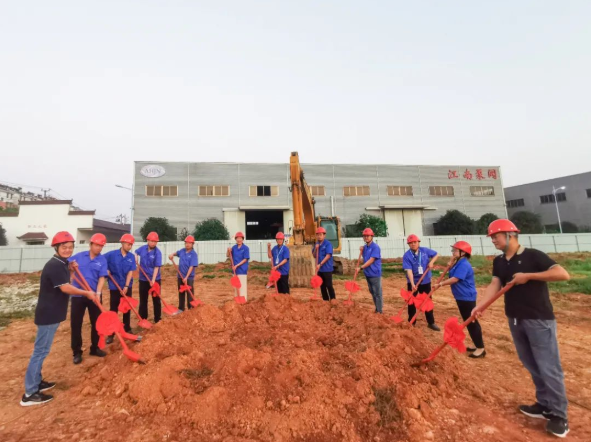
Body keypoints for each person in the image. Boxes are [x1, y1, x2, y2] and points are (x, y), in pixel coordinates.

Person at [472, 219, 570, 438]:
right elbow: (495, 284)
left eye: (495, 236)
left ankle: (559, 415)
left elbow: (562, 274)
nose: (493, 240)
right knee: (530, 363)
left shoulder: (534, 256)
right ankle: (544, 404)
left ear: (510, 235)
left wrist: (529, 276)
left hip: (538, 320)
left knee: (548, 366)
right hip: (515, 319)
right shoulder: (499, 261)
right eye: (491, 237)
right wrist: (480, 306)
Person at [20, 232, 98, 406]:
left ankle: (37, 381)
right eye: (64, 247)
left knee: (43, 350)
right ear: (56, 247)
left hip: (53, 313)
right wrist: (86, 293)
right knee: (40, 351)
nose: (67, 250)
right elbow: (65, 288)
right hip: (48, 314)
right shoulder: (55, 265)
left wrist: (71, 271)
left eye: (70, 247)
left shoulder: (62, 263)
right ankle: (30, 393)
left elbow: (66, 281)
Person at [433, 241, 485, 358]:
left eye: (455, 250)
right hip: (461, 296)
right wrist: (450, 263)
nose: (453, 252)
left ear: (463, 252)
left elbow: (455, 279)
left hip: (466, 297)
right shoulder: (458, 262)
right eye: (453, 250)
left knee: (471, 321)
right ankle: (477, 344)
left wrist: (440, 284)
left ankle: (481, 348)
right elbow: (452, 273)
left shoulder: (464, 264)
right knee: (468, 321)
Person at [68, 233, 108, 364]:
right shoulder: (79, 257)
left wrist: (98, 293)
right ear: (91, 244)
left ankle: (95, 348)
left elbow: (102, 278)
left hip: (94, 295)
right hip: (78, 295)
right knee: (76, 323)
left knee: (97, 323)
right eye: (96, 245)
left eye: (101, 246)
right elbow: (66, 264)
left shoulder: (102, 260)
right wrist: (70, 267)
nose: (98, 248)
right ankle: (77, 352)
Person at [402, 234, 440, 331]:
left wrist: (431, 262)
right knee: (411, 301)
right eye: (411, 243)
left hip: (425, 280)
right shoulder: (406, 256)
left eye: (415, 242)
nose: (413, 244)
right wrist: (412, 284)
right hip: (413, 281)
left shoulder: (424, 251)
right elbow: (409, 271)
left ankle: (431, 322)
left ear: (418, 242)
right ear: (408, 244)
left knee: (427, 300)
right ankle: (411, 322)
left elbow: (436, 254)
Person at [104, 233, 137, 343]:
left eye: (131, 245)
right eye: (128, 244)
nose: (129, 246)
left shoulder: (131, 257)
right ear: (122, 243)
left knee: (126, 308)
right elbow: (100, 260)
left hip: (126, 286)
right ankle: (111, 333)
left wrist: (126, 286)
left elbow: (130, 272)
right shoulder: (111, 255)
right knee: (113, 309)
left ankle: (127, 328)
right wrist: (106, 270)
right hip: (114, 286)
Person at [136, 231, 163, 323]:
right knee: (143, 299)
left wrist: (153, 280)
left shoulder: (157, 253)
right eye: (151, 241)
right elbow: (136, 252)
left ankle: (157, 319)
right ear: (147, 240)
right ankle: (143, 319)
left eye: (155, 241)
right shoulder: (142, 249)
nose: (153, 243)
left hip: (155, 279)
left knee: (156, 299)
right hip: (143, 279)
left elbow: (156, 267)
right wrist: (136, 257)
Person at [169, 235, 199, 311]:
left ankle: (191, 308)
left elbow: (192, 266)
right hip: (180, 276)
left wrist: (186, 277)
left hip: (189, 278)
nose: (187, 244)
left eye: (189, 243)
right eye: (186, 243)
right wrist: (172, 254)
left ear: (192, 244)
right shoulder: (182, 251)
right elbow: (177, 253)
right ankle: (181, 308)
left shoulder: (193, 254)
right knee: (181, 292)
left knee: (189, 293)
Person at [359, 228, 382, 313]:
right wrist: (361, 250)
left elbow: (371, 260)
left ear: (372, 236)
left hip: (375, 273)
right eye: (364, 236)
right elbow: (365, 258)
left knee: (377, 293)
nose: (366, 237)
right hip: (368, 273)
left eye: (368, 236)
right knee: (372, 292)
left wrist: (361, 267)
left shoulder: (375, 247)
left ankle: (379, 311)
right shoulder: (365, 247)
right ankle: (377, 309)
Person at [313, 227, 335, 301]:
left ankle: (333, 300)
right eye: (318, 235)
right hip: (320, 269)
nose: (319, 236)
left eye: (321, 234)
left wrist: (320, 264)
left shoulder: (328, 244)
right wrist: (316, 249)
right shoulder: (316, 244)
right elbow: (314, 255)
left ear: (324, 235)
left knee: (328, 285)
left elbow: (328, 255)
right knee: (322, 286)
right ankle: (325, 300)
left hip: (327, 268)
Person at [227, 232, 249, 301]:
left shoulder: (245, 248)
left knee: (242, 287)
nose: (239, 240)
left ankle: (244, 301)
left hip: (242, 270)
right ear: (236, 239)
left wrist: (237, 265)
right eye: (237, 238)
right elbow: (228, 255)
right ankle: (237, 301)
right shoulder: (234, 248)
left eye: (240, 238)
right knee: (235, 287)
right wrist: (228, 250)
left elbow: (245, 259)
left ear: (242, 239)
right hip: (235, 270)